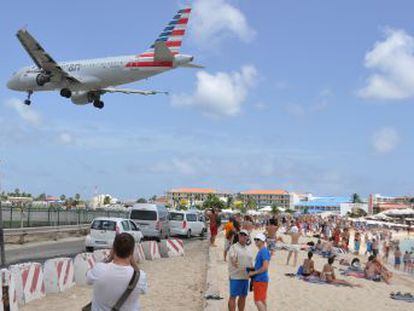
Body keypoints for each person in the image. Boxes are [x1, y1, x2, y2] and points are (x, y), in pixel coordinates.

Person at [86, 233, 147, 311]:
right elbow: (143, 290)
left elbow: (88, 279)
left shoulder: (99, 269)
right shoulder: (140, 276)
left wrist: (108, 259)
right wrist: (134, 264)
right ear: (132, 252)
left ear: (113, 249)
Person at [227, 230, 254, 311]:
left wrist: (253, 277)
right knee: (233, 296)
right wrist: (234, 261)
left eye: (244, 234)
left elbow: (251, 264)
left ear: (247, 237)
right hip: (235, 276)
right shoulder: (234, 247)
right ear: (238, 236)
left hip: (245, 277)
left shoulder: (249, 249)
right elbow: (232, 259)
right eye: (241, 234)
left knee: (243, 297)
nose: (242, 236)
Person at [248, 233, 270, 311]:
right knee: (262, 300)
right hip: (261, 279)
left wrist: (253, 273)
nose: (256, 241)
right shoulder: (262, 251)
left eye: (258, 240)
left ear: (263, 241)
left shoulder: (263, 251)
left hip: (260, 279)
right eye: (255, 239)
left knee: (257, 300)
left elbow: (265, 267)